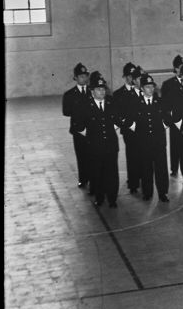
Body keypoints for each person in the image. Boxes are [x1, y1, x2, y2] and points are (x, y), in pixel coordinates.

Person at [70, 74, 122, 207]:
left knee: (112, 173)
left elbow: (118, 120)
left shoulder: (111, 101)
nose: (102, 92)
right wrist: (91, 136)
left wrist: (110, 130)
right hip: (94, 146)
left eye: (103, 89)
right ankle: (99, 197)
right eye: (99, 90)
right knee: (97, 173)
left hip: (110, 145)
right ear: (92, 91)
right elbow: (79, 127)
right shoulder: (85, 105)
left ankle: (112, 198)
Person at [123, 74, 171, 202]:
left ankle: (163, 192)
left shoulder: (159, 102)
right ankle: (147, 192)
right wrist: (138, 131)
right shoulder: (135, 103)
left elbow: (168, 118)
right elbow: (128, 121)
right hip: (143, 142)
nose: (150, 89)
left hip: (159, 142)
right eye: (147, 87)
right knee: (146, 168)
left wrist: (162, 127)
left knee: (161, 168)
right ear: (142, 88)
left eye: (152, 87)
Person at [113, 63, 144, 195]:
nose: (132, 79)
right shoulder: (119, 94)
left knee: (144, 156)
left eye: (134, 76)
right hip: (129, 130)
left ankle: (143, 178)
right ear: (125, 77)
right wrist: (129, 125)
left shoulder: (142, 91)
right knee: (132, 156)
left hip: (143, 130)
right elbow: (118, 114)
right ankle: (133, 182)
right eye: (130, 76)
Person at [62, 62, 93, 189]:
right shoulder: (69, 94)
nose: (84, 79)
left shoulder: (93, 91)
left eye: (85, 76)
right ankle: (83, 179)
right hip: (78, 130)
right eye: (80, 76)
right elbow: (66, 111)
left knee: (92, 154)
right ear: (75, 78)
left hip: (92, 129)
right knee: (81, 155)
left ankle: (93, 178)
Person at [160, 55, 183, 177]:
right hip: (174, 119)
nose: (182, 69)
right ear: (176, 69)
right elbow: (164, 104)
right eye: (180, 67)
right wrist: (170, 118)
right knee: (175, 144)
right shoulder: (168, 84)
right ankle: (174, 168)